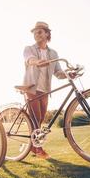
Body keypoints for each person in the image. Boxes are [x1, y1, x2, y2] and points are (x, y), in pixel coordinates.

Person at [22, 21, 67, 159]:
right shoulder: (29, 48)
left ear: (47, 33)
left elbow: (58, 72)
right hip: (31, 88)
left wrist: (67, 74)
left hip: (45, 91)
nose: (36, 34)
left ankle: (31, 147)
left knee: (40, 119)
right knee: (35, 119)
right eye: (35, 32)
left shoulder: (53, 53)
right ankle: (39, 148)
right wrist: (37, 62)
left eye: (40, 31)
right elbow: (29, 59)